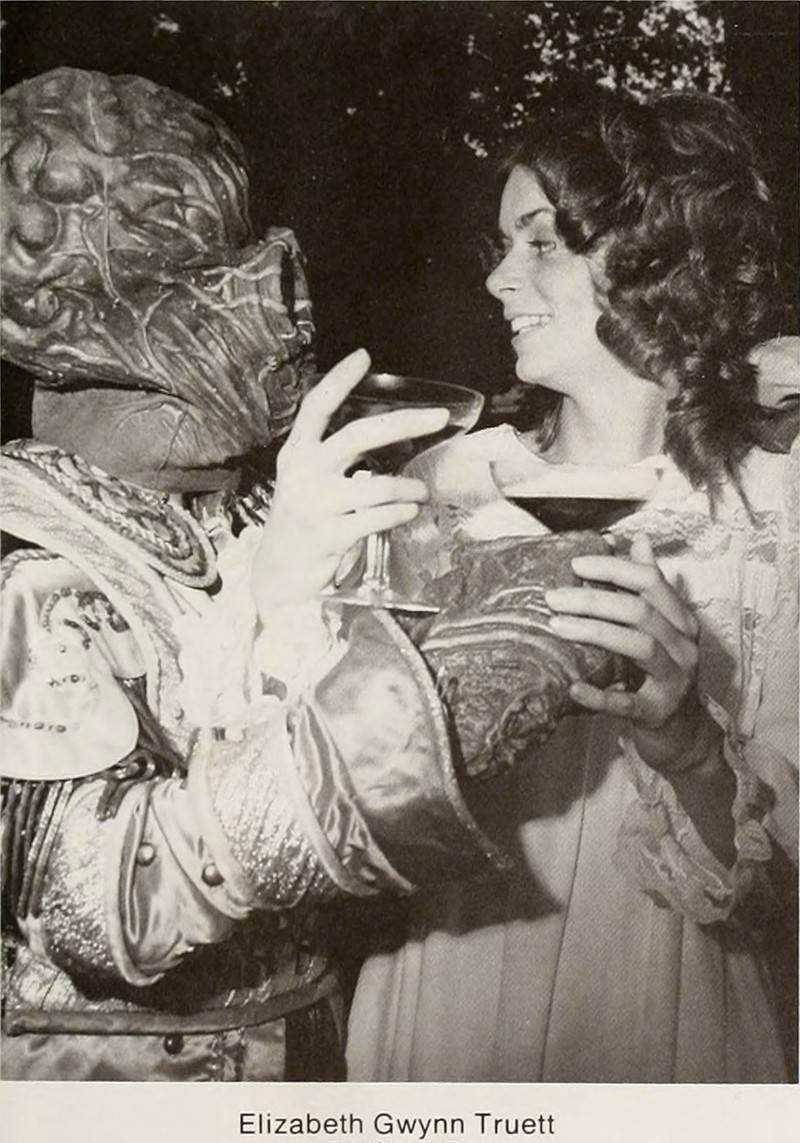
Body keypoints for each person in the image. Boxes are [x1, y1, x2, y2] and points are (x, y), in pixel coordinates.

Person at [0, 66, 528, 1081]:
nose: (283, 308)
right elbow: (104, 910)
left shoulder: (241, 510)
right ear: (57, 322)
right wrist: (392, 713)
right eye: (200, 275)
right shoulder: (28, 564)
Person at [346, 91, 798, 1083]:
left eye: (541, 243)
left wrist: (688, 743)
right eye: (501, 245)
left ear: (651, 255)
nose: (498, 278)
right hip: (454, 996)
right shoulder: (447, 485)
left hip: (672, 1012)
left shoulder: (774, 501)